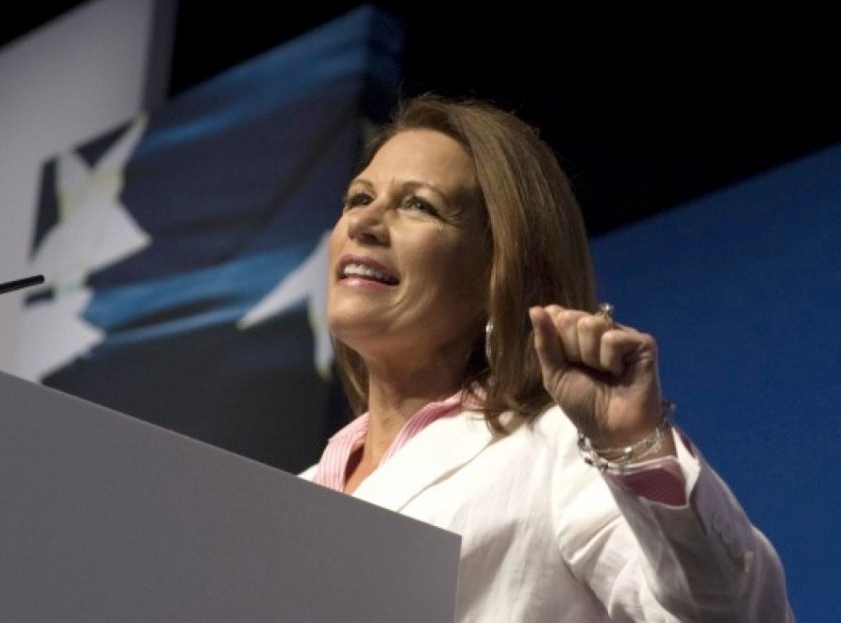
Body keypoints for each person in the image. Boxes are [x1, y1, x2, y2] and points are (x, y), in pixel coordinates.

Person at [304, 94, 793, 621]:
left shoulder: (557, 449)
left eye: (419, 205)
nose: (364, 222)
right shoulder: (299, 492)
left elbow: (728, 612)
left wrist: (635, 444)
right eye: (359, 198)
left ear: (498, 271)